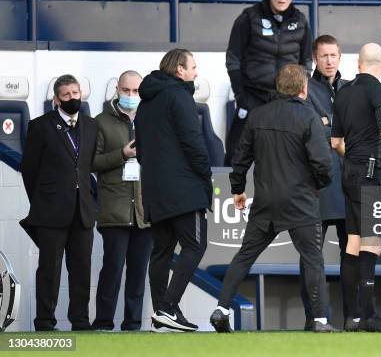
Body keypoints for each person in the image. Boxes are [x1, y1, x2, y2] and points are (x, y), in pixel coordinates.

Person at [209, 64, 337, 333]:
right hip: (301, 200)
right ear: (304, 88)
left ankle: (221, 308)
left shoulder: (257, 115)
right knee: (313, 258)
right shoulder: (309, 116)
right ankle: (320, 320)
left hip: (266, 200)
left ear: (278, 87)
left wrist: (237, 189)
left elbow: (239, 157)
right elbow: (323, 163)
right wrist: (318, 185)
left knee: (245, 255)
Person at [331, 43, 381, 332]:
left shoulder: (343, 92)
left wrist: (354, 160)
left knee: (352, 243)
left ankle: (351, 317)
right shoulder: (379, 90)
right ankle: (369, 316)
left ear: (358, 63)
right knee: (372, 243)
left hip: (349, 172)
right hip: (372, 174)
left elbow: (336, 143)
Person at [135, 49, 213, 332]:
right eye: (193, 67)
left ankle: (160, 316)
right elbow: (194, 142)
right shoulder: (179, 95)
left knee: (162, 251)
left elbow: (140, 151)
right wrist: (205, 175)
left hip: (155, 191)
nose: (195, 72)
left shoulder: (145, 103)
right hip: (184, 190)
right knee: (195, 244)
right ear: (180, 69)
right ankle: (167, 308)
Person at [20, 74, 98, 331]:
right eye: (66, 95)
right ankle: (44, 321)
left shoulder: (90, 125)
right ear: (56, 99)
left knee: (82, 269)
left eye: (75, 94)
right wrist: (43, 201)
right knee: (49, 270)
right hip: (51, 211)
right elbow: (29, 170)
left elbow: (87, 166)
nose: (72, 99)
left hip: (83, 210)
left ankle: (80, 320)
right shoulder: (40, 126)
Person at [224, 0, 312, 164]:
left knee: (287, 153)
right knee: (237, 150)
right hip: (253, 96)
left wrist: (301, 92)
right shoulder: (249, 17)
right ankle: (229, 189)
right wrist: (241, 96)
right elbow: (233, 59)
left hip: (287, 98)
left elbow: (306, 62)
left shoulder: (301, 21)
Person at [91, 70, 153, 332]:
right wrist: (122, 154)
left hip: (145, 212)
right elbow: (91, 162)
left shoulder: (151, 119)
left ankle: (133, 324)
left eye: (136, 91)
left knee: (138, 274)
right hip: (114, 210)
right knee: (112, 270)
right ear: (117, 89)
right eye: (126, 90)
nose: (131, 96)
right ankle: (103, 322)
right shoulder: (100, 121)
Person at [302, 35, 348, 330]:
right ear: (315, 59)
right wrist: (333, 128)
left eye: (333, 55)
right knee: (311, 256)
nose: (329, 61)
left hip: (350, 184)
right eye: (323, 56)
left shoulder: (350, 89)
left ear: (340, 57)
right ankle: (316, 318)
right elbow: (309, 130)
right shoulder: (306, 90)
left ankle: (353, 318)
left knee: (353, 256)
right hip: (317, 186)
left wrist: (328, 123)